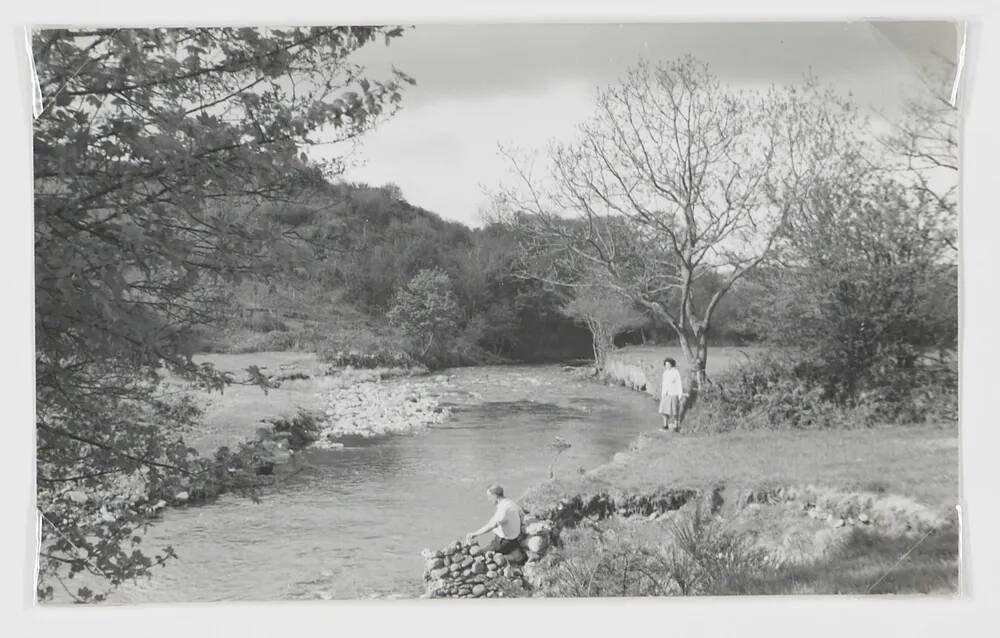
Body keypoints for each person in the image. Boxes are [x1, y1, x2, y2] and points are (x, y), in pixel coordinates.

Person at [465, 484, 521, 553]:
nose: (489, 500)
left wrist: (474, 534)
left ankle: (512, 557)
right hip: (514, 538)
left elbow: (491, 525)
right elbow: (494, 520)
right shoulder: (509, 502)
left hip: (504, 542)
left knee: (480, 553)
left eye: (489, 496)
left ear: (495, 496)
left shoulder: (503, 509)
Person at [658, 358, 686, 431]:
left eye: (668, 364)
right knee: (663, 411)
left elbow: (679, 384)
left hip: (673, 393)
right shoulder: (665, 373)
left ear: (672, 364)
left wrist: (680, 395)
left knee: (675, 411)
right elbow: (664, 384)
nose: (667, 366)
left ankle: (676, 425)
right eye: (666, 364)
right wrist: (662, 394)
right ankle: (665, 425)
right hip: (666, 394)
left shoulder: (676, 372)